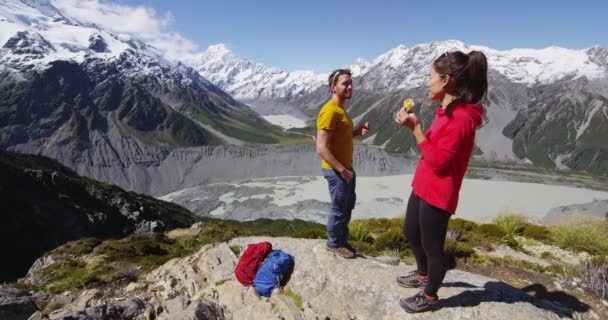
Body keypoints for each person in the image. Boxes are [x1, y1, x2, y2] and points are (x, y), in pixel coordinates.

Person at [394, 50, 488, 313]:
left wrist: (415, 129)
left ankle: (430, 296)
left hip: (438, 192)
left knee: (433, 248)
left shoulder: (461, 119)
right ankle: (423, 275)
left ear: (445, 80)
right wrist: (415, 126)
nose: (427, 82)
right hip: (423, 184)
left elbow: (439, 163)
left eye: (430, 76)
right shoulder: (446, 109)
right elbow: (433, 150)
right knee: (411, 232)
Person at [316, 68, 370, 259]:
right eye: (344, 83)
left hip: (345, 169)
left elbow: (340, 136)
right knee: (339, 208)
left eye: (350, 83)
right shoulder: (330, 111)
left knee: (347, 206)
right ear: (333, 87)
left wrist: (356, 132)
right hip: (337, 170)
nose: (349, 87)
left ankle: (341, 240)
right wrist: (341, 170)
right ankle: (333, 243)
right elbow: (321, 147)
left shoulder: (340, 110)